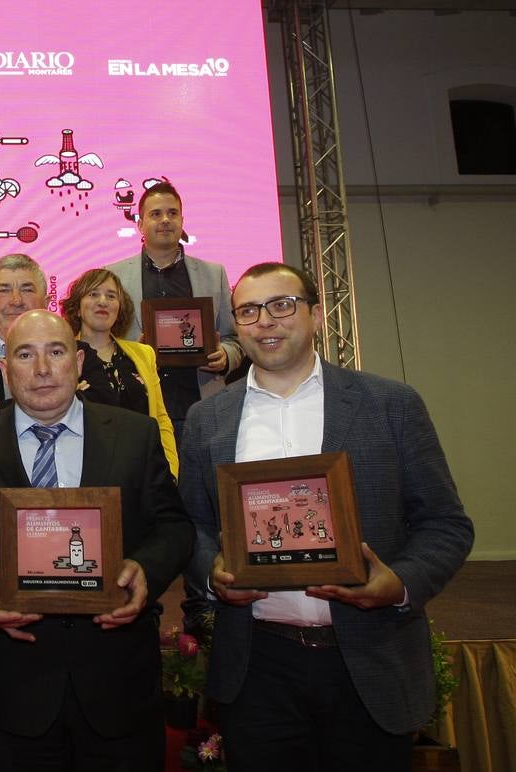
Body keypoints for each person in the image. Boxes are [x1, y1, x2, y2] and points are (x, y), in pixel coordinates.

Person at [178, 262, 474, 772]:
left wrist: (399, 582)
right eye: (248, 310)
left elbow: (446, 524)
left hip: (369, 658)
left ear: (316, 314)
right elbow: (194, 526)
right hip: (257, 667)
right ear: (236, 326)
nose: (265, 321)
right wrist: (211, 572)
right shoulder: (208, 420)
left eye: (282, 305)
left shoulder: (391, 405)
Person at [0, 310, 194, 771]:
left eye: (56, 351)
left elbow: (174, 528)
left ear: (79, 362)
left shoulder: (136, 435)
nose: (42, 369)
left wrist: (146, 570)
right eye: (25, 354)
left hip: (117, 688)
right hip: (9, 694)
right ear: (5, 368)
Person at [104, 181, 242, 431]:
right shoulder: (113, 276)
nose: (165, 220)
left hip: (202, 403)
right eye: (155, 214)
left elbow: (235, 338)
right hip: (138, 407)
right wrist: (133, 352)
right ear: (140, 224)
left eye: (172, 213)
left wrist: (226, 355)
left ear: (182, 220)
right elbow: (102, 340)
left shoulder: (214, 274)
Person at [0, 254, 108, 431]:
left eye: (27, 289)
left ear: (47, 302)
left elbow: (102, 410)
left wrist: (1, 409)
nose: (16, 301)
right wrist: (66, 399)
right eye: (4, 290)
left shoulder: (78, 352)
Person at [61, 267, 178, 478]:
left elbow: (161, 419)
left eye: (111, 296)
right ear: (77, 308)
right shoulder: (61, 358)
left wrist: (170, 472)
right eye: (93, 294)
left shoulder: (144, 354)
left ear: (119, 307)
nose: (103, 301)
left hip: (143, 472)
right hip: (84, 475)